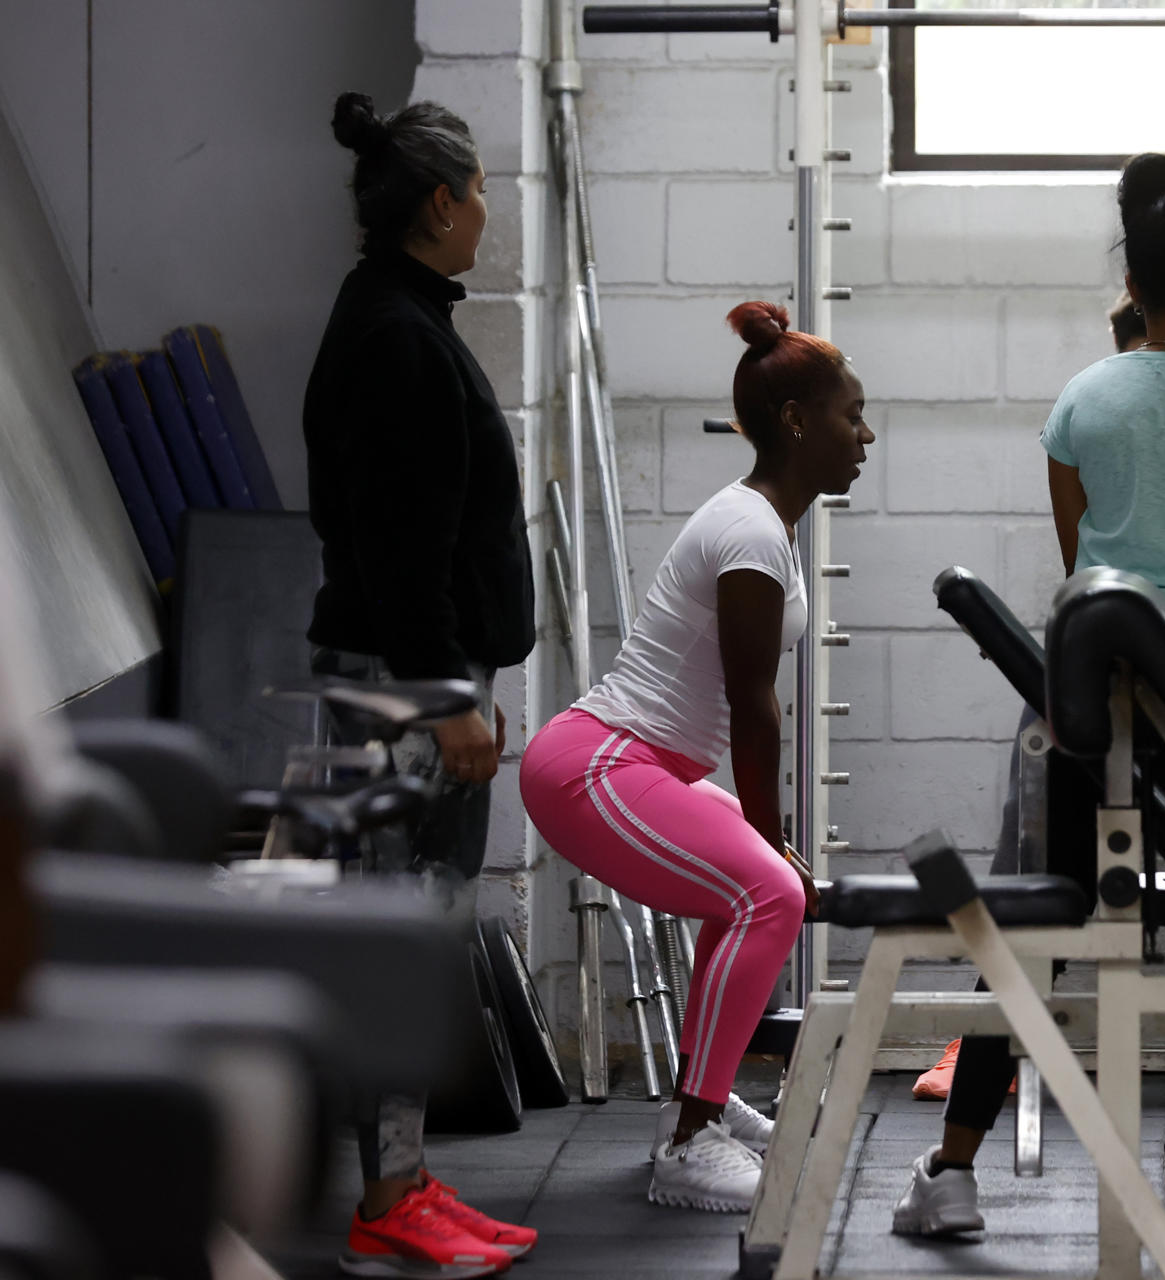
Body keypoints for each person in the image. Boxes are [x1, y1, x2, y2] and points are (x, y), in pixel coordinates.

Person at [892, 144, 1165, 1239]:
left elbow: (1087, 576)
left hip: (1112, 707)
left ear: (1129, 285)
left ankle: (952, 1168)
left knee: (1032, 924)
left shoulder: (1082, 403)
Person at [520, 302, 871, 1215]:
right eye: (851, 413)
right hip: (595, 768)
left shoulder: (771, 525)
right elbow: (754, 712)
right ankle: (688, 1144)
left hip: (641, 767)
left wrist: (765, 840)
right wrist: (773, 837)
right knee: (771, 890)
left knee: (751, 888)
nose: (865, 434)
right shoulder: (751, 531)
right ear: (797, 421)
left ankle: (701, 1105)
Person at [305, 92, 538, 1278]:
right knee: (392, 955)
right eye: (484, 187)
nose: (489, 209)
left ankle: (407, 1180)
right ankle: (385, 1202)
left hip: (423, 684)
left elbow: (436, 546)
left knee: (414, 948)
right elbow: (401, 553)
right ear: (442, 202)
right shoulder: (395, 338)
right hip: (400, 696)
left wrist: (465, 678)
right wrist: (446, 692)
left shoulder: (401, 318)